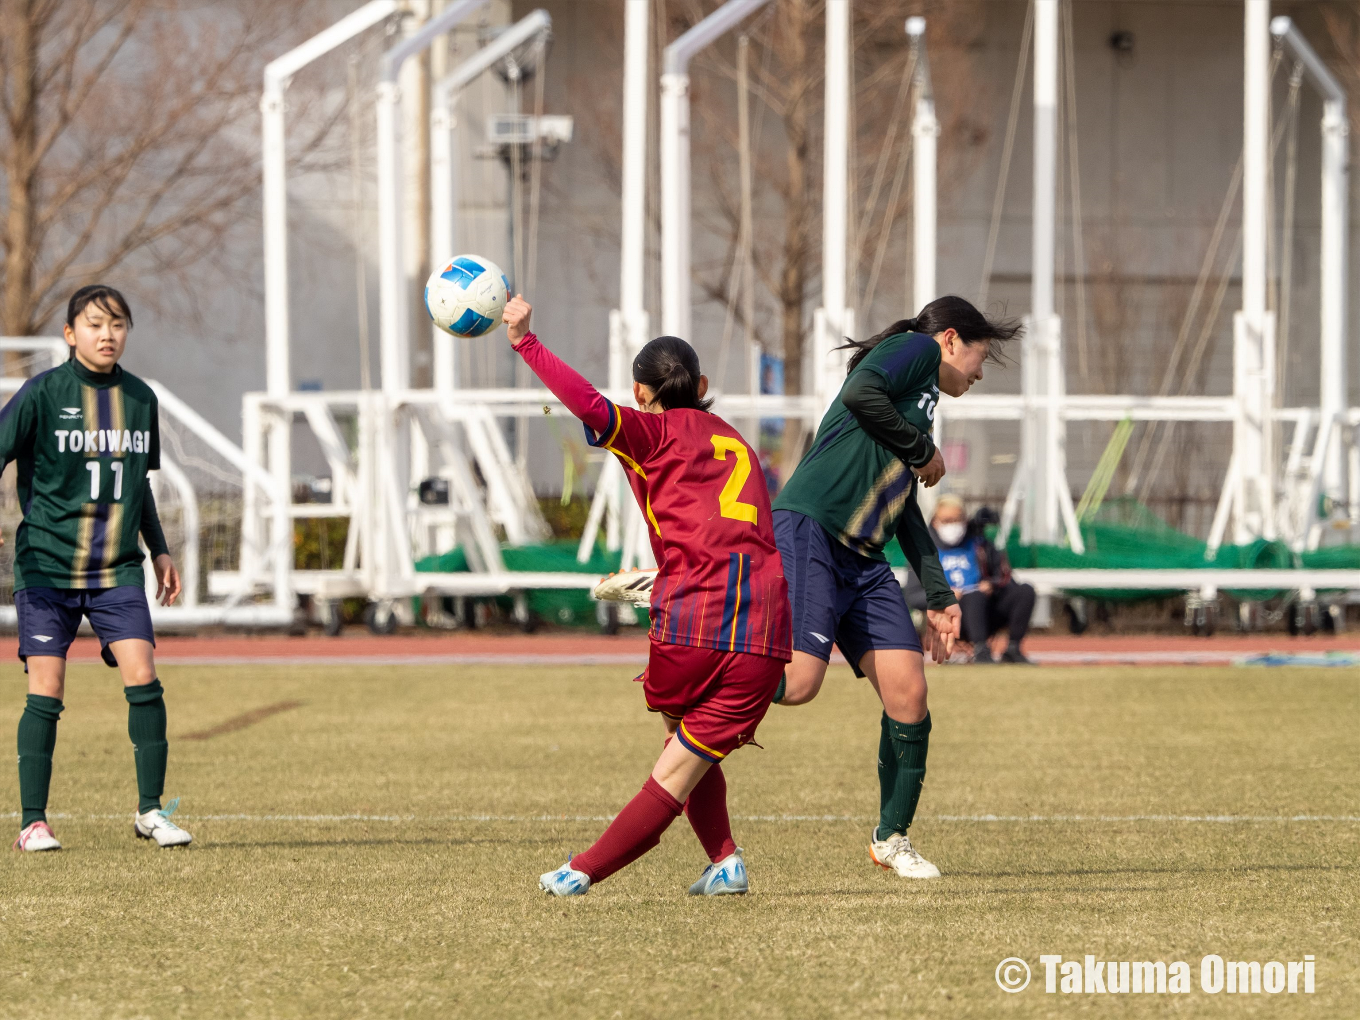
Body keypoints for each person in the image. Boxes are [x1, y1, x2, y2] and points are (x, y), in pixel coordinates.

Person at [503, 295, 792, 897]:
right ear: (703, 385)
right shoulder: (737, 441)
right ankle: (725, 861)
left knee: (676, 758)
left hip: (694, 616)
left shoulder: (651, 432)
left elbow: (584, 402)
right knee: (694, 744)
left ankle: (582, 869)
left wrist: (525, 342)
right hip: (765, 626)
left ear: (640, 393)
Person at [770, 296, 1021, 879]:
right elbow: (860, 392)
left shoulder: (918, 406)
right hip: (813, 529)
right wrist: (920, 449)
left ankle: (892, 837)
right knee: (801, 683)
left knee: (909, 692)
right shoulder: (913, 349)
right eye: (981, 358)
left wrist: (939, 596)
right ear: (951, 340)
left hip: (862, 555)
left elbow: (904, 507)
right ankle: (704, 651)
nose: (980, 374)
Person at [6, 285, 190, 852]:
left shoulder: (141, 398)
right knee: (48, 686)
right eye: (93, 324)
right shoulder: (41, 395)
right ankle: (33, 822)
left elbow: (139, 485)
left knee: (143, 675)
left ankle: (151, 812)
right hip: (46, 568)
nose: (106, 334)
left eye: (116, 325)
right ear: (69, 334)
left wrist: (158, 549)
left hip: (116, 569)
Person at [930, 496, 1035, 664]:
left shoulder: (980, 544)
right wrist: (944, 596)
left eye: (957, 520)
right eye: (947, 521)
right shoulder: (924, 550)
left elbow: (1005, 579)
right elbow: (914, 595)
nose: (952, 525)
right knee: (974, 596)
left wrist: (992, 585)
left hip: (986, 611)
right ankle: (980, 650)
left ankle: (1012, 649)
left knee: (1024, 591)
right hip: (949, 617)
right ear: (935, 522)